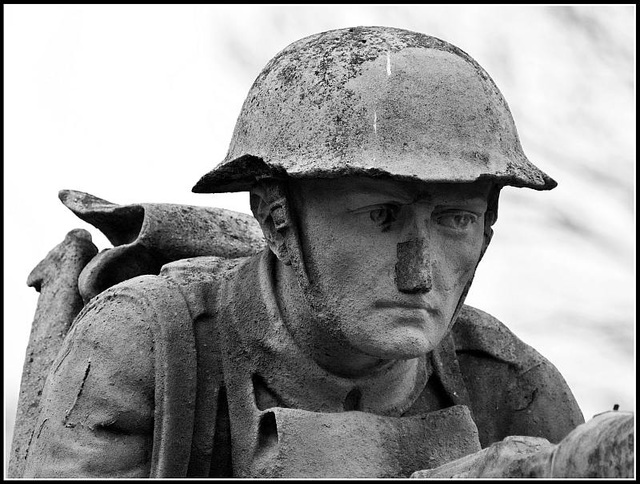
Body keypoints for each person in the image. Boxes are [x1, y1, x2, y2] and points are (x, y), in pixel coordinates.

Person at [19, 26, 589, 478]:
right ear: (276, 218)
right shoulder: (149, 347)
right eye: (380, 217)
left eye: (455, 221)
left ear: (488, 229)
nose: (419, 276)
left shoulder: (511, 383)